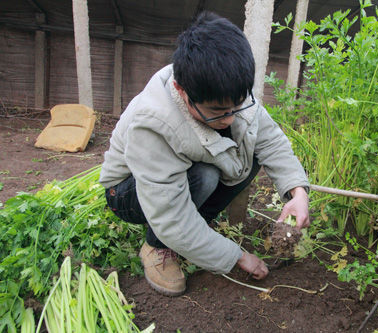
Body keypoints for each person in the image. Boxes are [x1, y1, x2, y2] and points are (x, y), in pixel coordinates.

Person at [99, 11, 310, 296]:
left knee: (250, 155)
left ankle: (199, 232)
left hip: (177, 183)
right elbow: (170, 216)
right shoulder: (152, 123)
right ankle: (156, 247)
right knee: (205, 176)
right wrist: (237, 256)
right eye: (218, 112)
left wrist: (297, 192)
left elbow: (270, 139)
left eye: (236, 107)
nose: (230, 119)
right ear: (181, 90)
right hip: (127, 193)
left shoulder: (231, 90)